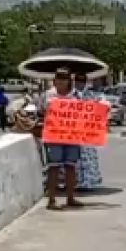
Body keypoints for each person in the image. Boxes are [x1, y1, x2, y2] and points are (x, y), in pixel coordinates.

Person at [40, 68, 84, 210]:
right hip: (54, 136)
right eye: (58, 79)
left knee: (71, 166)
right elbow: (41, 110)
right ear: (54, 81)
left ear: (68, 81)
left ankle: (70, 198)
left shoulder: (76, 95)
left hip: (71, 135)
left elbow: (83, 112)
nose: (60, 82)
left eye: (63, 79)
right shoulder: (48, 95)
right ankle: (51, 200)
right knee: (54, 167)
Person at [73, 72, 103, 192]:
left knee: (88, 158)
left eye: (82, 81)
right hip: (73, 132)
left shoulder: (91, 95)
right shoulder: (71, 96)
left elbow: (101, 108)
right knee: (75, 159)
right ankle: (75, 182)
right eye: (78, 81)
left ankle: (88, 182)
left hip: (87, 132)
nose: (80, 83)